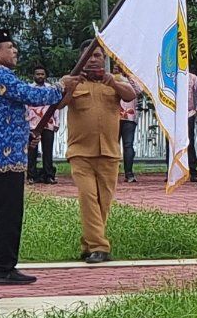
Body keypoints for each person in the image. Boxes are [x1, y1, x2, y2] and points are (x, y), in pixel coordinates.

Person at [0, 30, 65, 286]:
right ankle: (3, 268)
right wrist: (62, 86)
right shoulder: (0, 74)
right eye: (10, 47)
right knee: (7, 214)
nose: (15, 52)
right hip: (4, 157)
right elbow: (32, 96)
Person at [59, 41, 139, 264]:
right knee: (88, 198)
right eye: (88, 56)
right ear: (80, 59)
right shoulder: (73, 81)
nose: (92, 59)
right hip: (80, 152)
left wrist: (112, 80)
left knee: (103, 202)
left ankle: (88, 244)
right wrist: (68, 86)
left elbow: (131, 94)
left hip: (109, 153)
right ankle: (100, 247)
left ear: (104, 59)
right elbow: (58, 105)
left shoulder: (115, 81)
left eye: (97, 55)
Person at [26, 65, 60, 184]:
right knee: (32, 151)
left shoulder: (50, 89)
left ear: (45, 76)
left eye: (42, 74)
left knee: (48, 151)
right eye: (38, 74)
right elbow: (25, 107)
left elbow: (56, 106)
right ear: (33, 76)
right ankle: (31, 176)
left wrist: (57, 122)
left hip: (48, 124)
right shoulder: (28, 89)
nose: (40, 76)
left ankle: (49, 176)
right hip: (32, 125)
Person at [117, 66, 140, 183]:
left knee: (128, 145)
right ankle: (112, 171)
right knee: (112, 145)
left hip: (129, 118)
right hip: (114, 116)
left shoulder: (133, 80)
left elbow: (139, 90)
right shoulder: (113, 79)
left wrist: (128, 75)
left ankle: (129, 173)